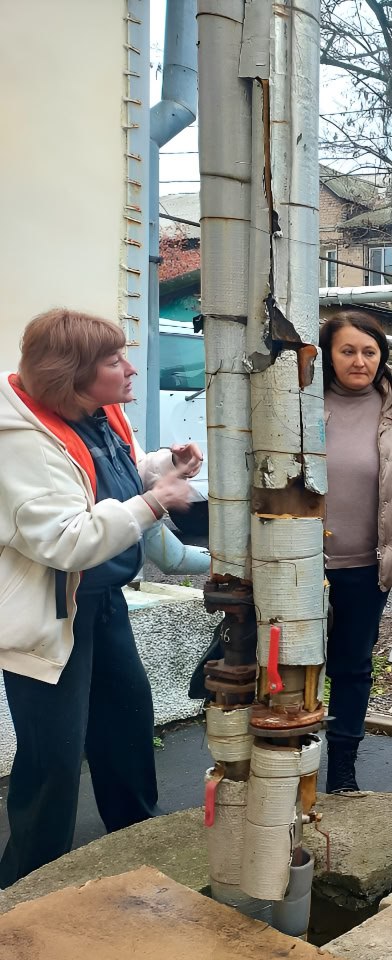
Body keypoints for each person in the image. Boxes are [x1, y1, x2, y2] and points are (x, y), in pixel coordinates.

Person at [0, 308, 202, 887]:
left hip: (104, 601)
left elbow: (105, 476)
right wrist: (155, 501)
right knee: (54, 761)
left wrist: (162, 467)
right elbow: (66, 539)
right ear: (72, 374)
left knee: (127, 726)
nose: (130, 368)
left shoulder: (96, 412)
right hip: (51, 614)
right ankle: (31, 886)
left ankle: (138, 843)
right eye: (114, 361)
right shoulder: (20, 444)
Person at [319, 310, 392, 794]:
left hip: (367, 568)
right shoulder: (300, 403)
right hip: (301, 566)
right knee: (288, 666)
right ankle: (285, 768)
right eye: (348, 350)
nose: (360, 361)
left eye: (370, 352)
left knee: (352, 666)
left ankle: (342, 772)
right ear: (328, 354)